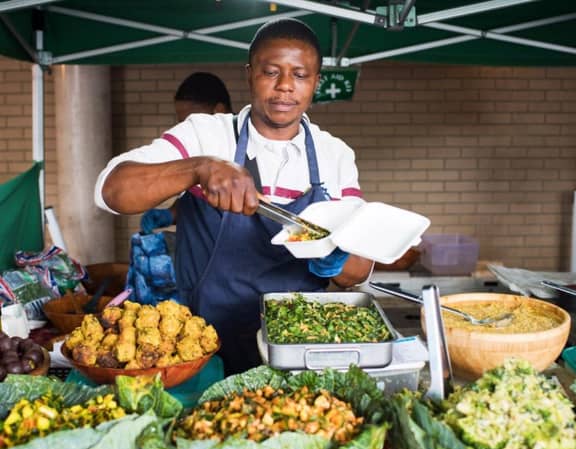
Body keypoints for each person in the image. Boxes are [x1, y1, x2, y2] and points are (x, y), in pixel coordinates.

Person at [95, 18, 374, 375]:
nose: (285, 86)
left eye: (300, 75)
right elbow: (111, 190)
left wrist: (337, 255)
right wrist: (198, 168)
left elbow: (359, 270)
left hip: (297, 351)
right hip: (204, 349)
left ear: (316, 82)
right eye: (271, 72)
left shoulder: (334, 154)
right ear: (249, 73)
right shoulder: (206, 135)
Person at [140, 72, 233, 234]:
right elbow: (194, 200)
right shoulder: (192, 151)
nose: (185, 128)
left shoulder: (244, 150)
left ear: (220, 111)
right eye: (181, 121)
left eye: (191, 121)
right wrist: (171, 214)